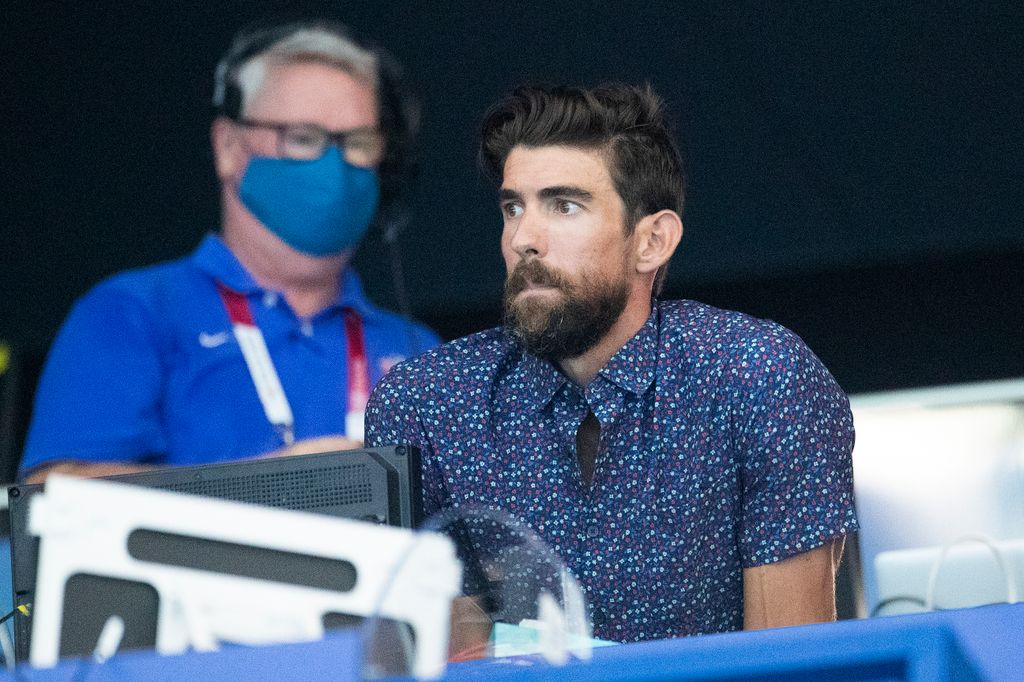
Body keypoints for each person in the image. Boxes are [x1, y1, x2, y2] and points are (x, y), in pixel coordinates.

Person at [366, 83, 857, 643]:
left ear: (652, 241)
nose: (523, 238)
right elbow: (442, 661)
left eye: (565, 205)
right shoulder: (427, 401)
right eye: (513, 207)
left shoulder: (758, 376)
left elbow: (792, 664)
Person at [20, 18, 439, 482]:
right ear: (228, 147)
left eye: (358, 143)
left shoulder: (420, 351)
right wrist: (274, 486)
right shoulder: (132, 313)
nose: (334, 165)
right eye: (303, 138)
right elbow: (50, 498)